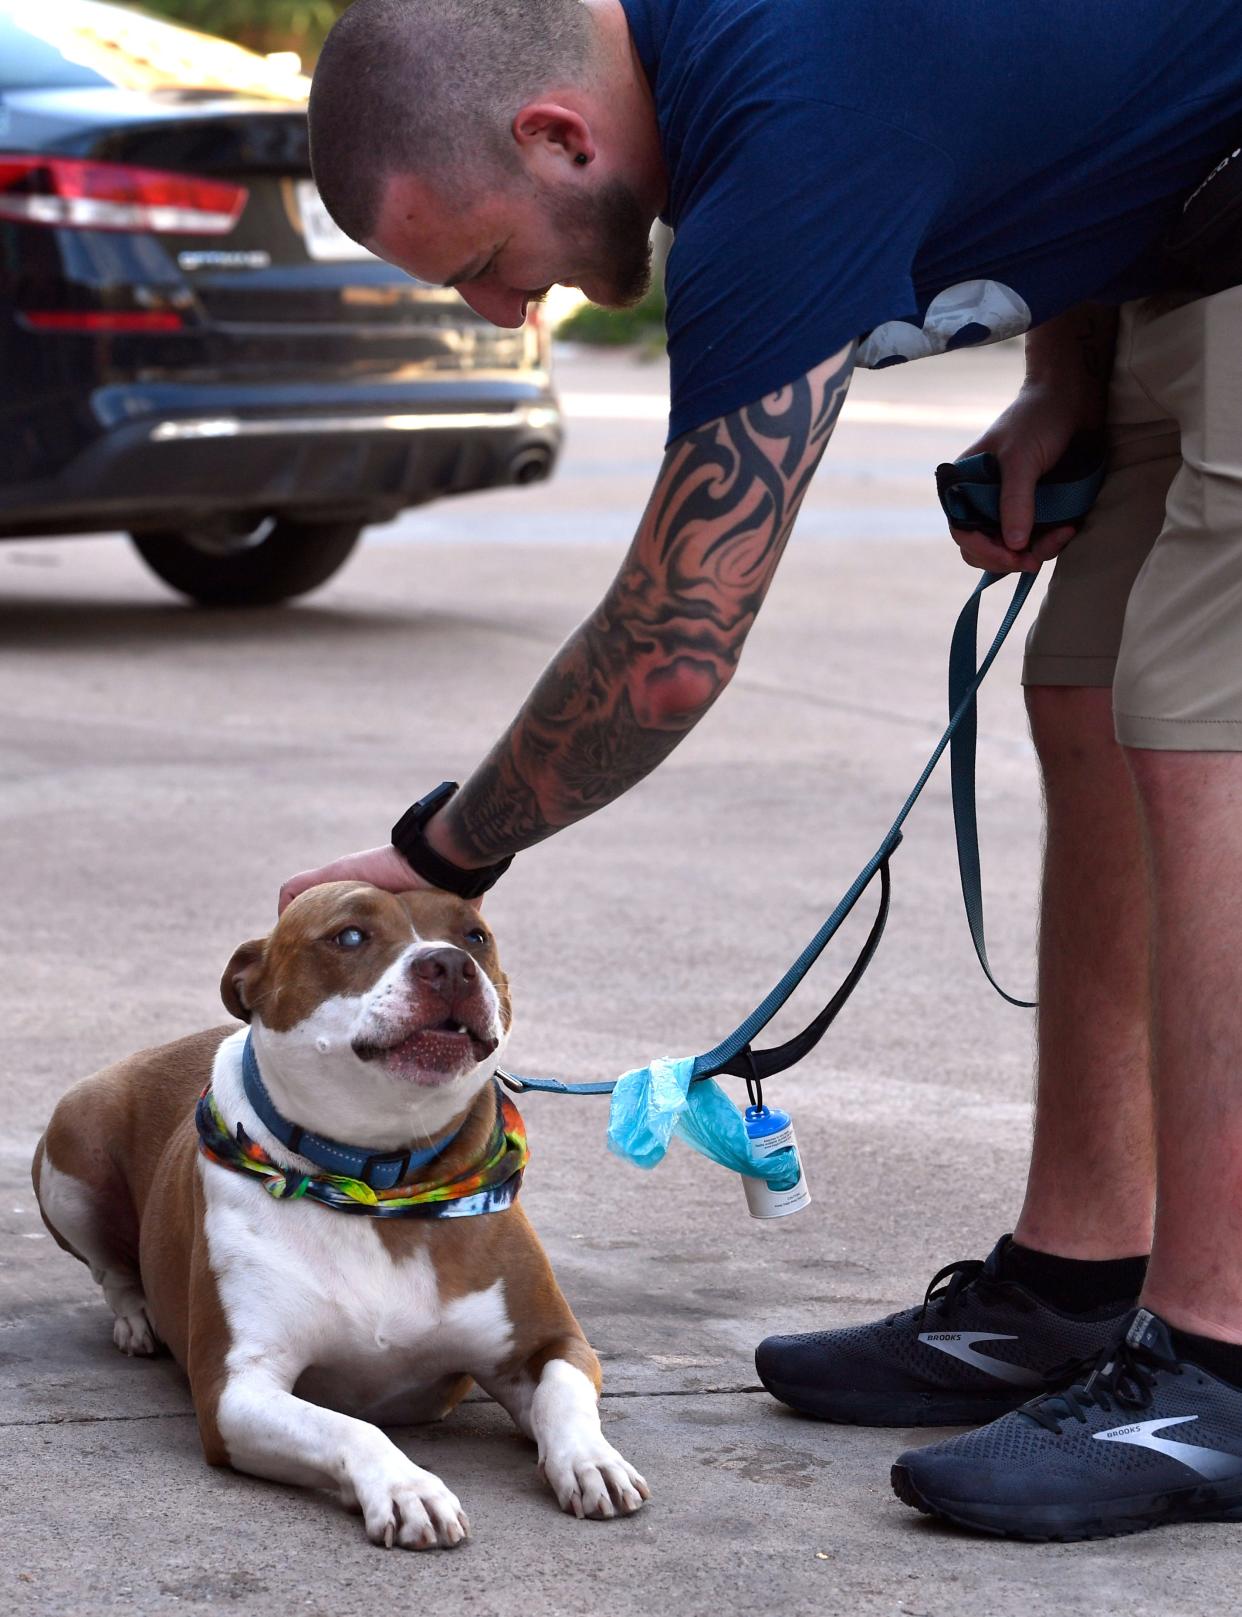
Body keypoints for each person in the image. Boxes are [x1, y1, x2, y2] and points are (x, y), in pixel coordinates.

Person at [288, 0, 1242, 1538]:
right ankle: (1075, 1281)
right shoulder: (743, 58)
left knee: (1209, 731)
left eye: (477, 261)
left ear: (554, 135)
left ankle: (1217, 1363)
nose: (492, 307)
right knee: (1087, 688)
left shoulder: (773, 144)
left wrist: (448, 851)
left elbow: (672, 640)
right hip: (1187, 233)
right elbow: (1059, 96)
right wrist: (1067, 364)